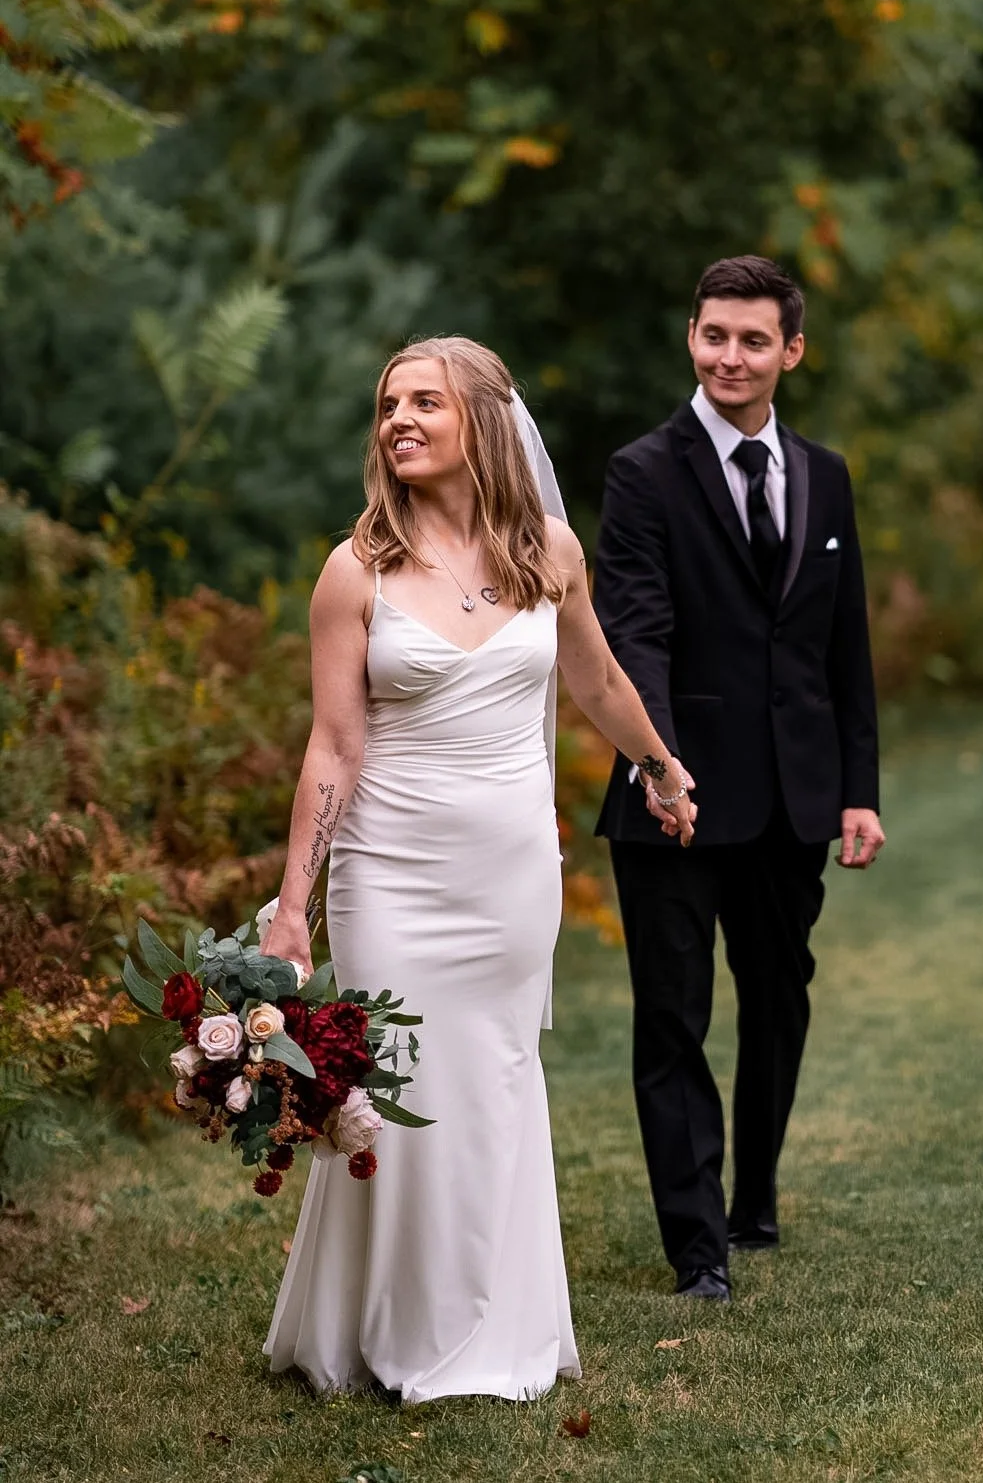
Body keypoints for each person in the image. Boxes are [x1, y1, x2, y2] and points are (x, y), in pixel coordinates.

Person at [261, 336, 695, 1403]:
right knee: (399, 1080)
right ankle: (399, 1331)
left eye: (425, 401)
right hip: (391, 868)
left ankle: (497, 1326)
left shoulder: (547, 550)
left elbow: (594, 674)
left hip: (508, 872)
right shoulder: (352, 569)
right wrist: (292, 902)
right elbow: (333, 744)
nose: (398, 418)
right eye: (387, 403)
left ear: (482, 424)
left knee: (493, 1082)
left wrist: (658, 763)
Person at [594, 256, 884, 1303]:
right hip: (671, 796)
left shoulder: (827, 473)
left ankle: (753, 1198)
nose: (731, 355)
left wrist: (860, 787)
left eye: (753, 339)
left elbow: (842, 646)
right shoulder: (642, 471)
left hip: (794, 795)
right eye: (715, 334)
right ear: (691, 337)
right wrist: (660, 767)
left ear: (791, 351)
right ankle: (697, 1245)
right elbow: (637, 632)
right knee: (672, 1018)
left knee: (778, 1000)